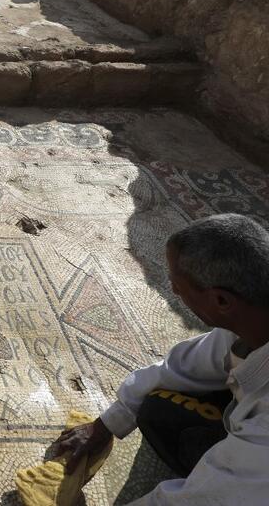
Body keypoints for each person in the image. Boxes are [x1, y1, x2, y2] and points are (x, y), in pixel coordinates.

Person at [56, 213, 269, 504]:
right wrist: (106, 424)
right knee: (157, 408)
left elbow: (200, 501)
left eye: (179, 287)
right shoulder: (251, 315)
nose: (174, 292)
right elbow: (180, 366)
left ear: (221, 301)